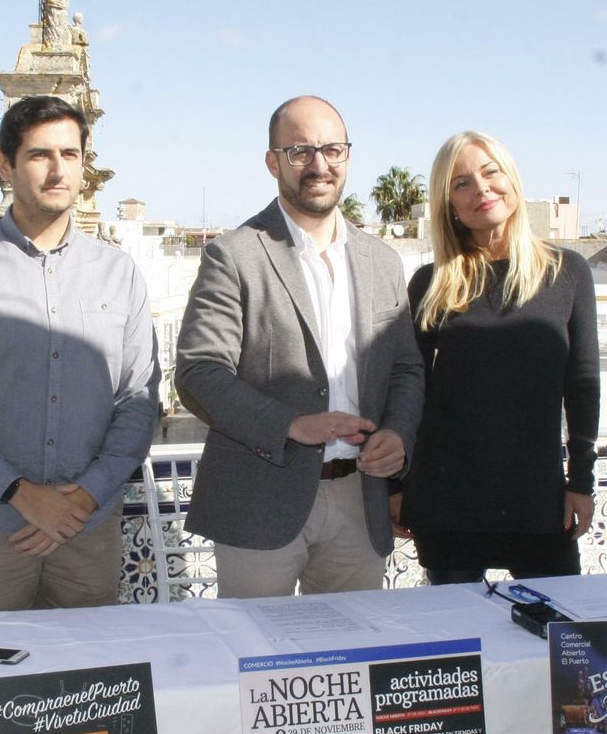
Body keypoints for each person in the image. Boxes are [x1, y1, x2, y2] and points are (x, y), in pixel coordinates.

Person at [0, 95, 159, 612]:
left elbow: (138, 399)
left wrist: (83, 498)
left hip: (87, 527)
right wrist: (21, 494)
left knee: (90, 662)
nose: (58, 170)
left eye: (70, 155)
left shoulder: (118, 273)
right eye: (40, 154)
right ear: (5, 166)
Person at [176, 96, 425, 597]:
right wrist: (291, 425)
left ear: (347, 156)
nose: (319, 165)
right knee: (255, 643)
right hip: (259, 498)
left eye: (332, 150)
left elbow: (406, 368)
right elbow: (199, 373)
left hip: (359, 499)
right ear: (273, 162)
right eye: (299, 151)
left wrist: (397, 433)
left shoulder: (382, 261)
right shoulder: (234, 255)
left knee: (353, 642)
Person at [393, 131, 599, 583]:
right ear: (448, 203)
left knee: (557, 624)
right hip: (447, 503)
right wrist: (394, 485)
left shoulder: (567, 273)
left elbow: (583, 385)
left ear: (512, 180)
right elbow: (408, 388)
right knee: (457, 627)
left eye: (491, 173)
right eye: (461, 183)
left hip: (539, 502)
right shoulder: (431, 283)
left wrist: (581, 482)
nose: (481, 189)